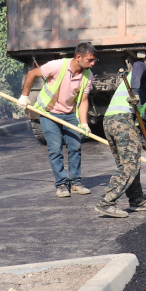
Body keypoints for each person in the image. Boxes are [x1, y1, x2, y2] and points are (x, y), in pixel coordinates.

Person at [18, 42, 97, 197]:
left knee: (75, 147)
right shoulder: (57, 66)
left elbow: (84, 100)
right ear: (78, 57)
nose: (92, 64)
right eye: (90, 60)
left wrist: (84, 122)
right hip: (49, 113)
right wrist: (24, 96)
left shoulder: (88, 75)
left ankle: (75, 183)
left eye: (94, 60)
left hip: (69, 114)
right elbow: (32, 74)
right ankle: (61, 184)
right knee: (55, 148)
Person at [96, 60, 146, 218]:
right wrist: (136, 92)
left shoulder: (135, 81)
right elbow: (138, 64)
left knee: (127, 163)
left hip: (111, 120)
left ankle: (137, 200)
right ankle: (107, 202)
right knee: (130, 164)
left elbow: (135, 121)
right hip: (122, 120)